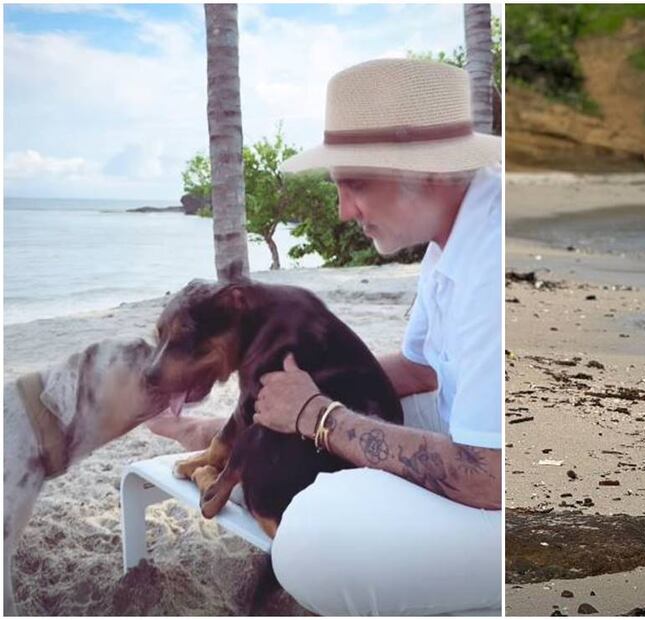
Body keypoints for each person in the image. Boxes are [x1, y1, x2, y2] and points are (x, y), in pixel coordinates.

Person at [149, 58, 502, 614]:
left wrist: (319, 416)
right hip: (484, 444)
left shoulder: (493, 265)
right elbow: (422, 371)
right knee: (312, 440)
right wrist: (264, 401)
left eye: (355, 185)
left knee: (313, 534)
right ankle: (214, 429)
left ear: (430, 171)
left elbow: (489, 478)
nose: (342, 212)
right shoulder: (453, 239)